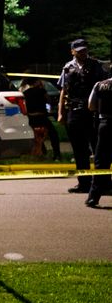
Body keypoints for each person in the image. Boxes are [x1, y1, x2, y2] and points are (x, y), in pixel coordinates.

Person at [58, 39, 103, 194]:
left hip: (93, 112)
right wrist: (60, 113)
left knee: (98, 149)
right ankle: (84, 183)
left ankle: (101, 184)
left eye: (84, 50)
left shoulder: (96, 65)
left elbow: (103, 89)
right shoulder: (67, 67)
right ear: (72, 51)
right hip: (74, 111)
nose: (82, 53)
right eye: (79, 50)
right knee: (79, 150)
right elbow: (63, 91)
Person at [85, 74, 112, 208]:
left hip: (105, 124)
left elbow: (91, 106)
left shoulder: (100, 84)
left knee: (101, 161)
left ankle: (93, 197)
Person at [20, 78, 61, 160]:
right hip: (41, 117)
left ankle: (42, 152)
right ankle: (57, 154)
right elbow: (49, 100)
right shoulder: (41, 91)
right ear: (36, 82)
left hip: (31, 118)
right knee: (53, 134)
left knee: (37, 136)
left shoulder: (25, 93)